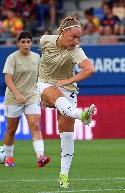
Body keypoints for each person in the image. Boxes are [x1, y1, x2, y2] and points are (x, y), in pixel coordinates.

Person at [37, 16, 96, 188]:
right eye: (73, 37)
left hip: (67, 89)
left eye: (79, 38)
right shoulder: (45, 41)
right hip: (45, 83)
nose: (76, 41)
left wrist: (67, 82)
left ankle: (63, 176)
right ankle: (81, 115)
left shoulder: (76, 50)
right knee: (53, 92)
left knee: (67, 135)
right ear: (63, 33)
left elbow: (90, 69)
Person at [3, 31, 51, 168]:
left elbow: (42, 78)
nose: (26, 44)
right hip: (13, 98)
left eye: (28, 42)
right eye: (22, 42)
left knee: (35, 126)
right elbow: (8, 79)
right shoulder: (12, 58)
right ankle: (9, 158)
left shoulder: (37, 58)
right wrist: (17, 94)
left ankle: (41, 157)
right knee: (11, 129)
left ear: (31, 43)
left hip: (31, 97)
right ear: (17, 43)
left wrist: (43, 97)